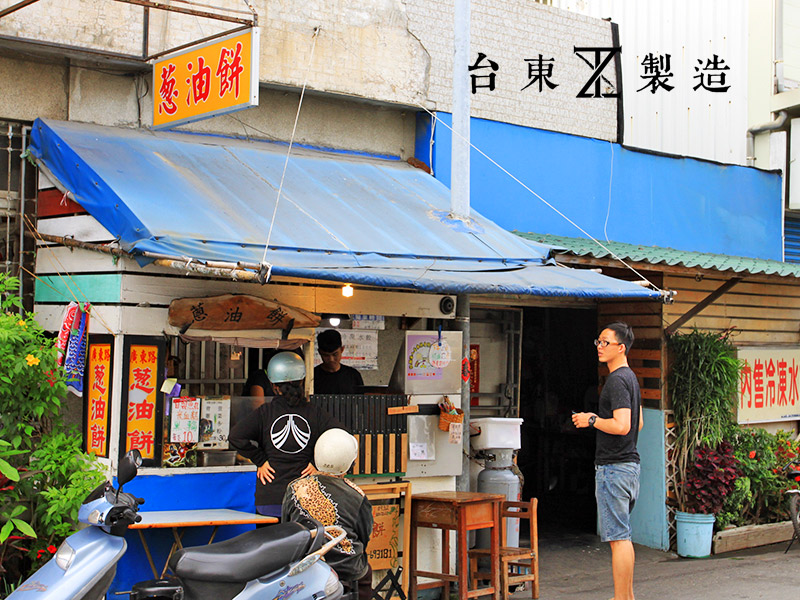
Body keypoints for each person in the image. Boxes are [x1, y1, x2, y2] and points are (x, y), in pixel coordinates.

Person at [571, 322, 643, 600]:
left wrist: (592, 419)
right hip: (628, 467)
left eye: (605, 342)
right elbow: (640, 422)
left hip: (614, 467)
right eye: (598, 342)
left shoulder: (616, 380)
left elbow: (624, 425)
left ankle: (620, 598)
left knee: (618, 538)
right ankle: (626, 596)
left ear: (621, 347)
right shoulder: (631, 378)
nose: (600, 347)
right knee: (622, 535)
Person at [229, 351, 339, 518]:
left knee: (269, 544)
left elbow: (235, 437)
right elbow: (340, 437)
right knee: (304, 544)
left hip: (270, 498)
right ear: (302, 381)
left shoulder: (264, 413)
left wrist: (261, 460)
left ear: (274, 385)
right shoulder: (315, 413)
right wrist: (316, 462)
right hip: (305, 498)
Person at [282, 428, 373, 600]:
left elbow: (287, 527)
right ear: (350, 462)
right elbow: (364, 536)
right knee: (364, 572)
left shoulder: (294, 488)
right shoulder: (357, 495)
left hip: (303, 565)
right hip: (347, 569)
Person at [314, 329, 364, 394]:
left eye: (335, 354)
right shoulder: (313, 376)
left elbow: (361, 401)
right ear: (319, 352)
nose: (331, 359)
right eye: (326, 355)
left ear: (342, 350)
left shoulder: (353, 375)